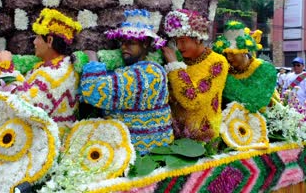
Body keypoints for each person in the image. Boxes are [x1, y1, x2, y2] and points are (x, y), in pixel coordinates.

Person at [80, 9, 173, 154]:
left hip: (146, 157)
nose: (124, 46)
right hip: (128, 154)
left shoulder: (151, 73)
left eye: (130, 43)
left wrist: (92, 60)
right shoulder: (129, 71)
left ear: (145, 44)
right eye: (122, 42)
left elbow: (95, 91)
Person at [162, 9, 229, 142]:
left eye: (183, 41)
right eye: (176, 42)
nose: (179, 46)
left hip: (204, 138)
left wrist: (174, 65)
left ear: (198, 37)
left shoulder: (218, 62)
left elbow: (193, 100)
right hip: (175, 136)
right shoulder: (181, 61)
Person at [14, 8, 82, 136]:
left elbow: (24, 107)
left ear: (49, 41)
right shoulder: (56, 66)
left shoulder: (57, 73)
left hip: (49, 139)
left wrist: (6, 69)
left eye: (38, 37)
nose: (34, 42)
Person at [212, 20, 277, 113]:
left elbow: (254, 103)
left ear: (245, 51)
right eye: (226, 54)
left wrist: (225, 78)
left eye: (233, 53)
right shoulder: (225, 70)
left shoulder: (265, 69)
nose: (229, 58)